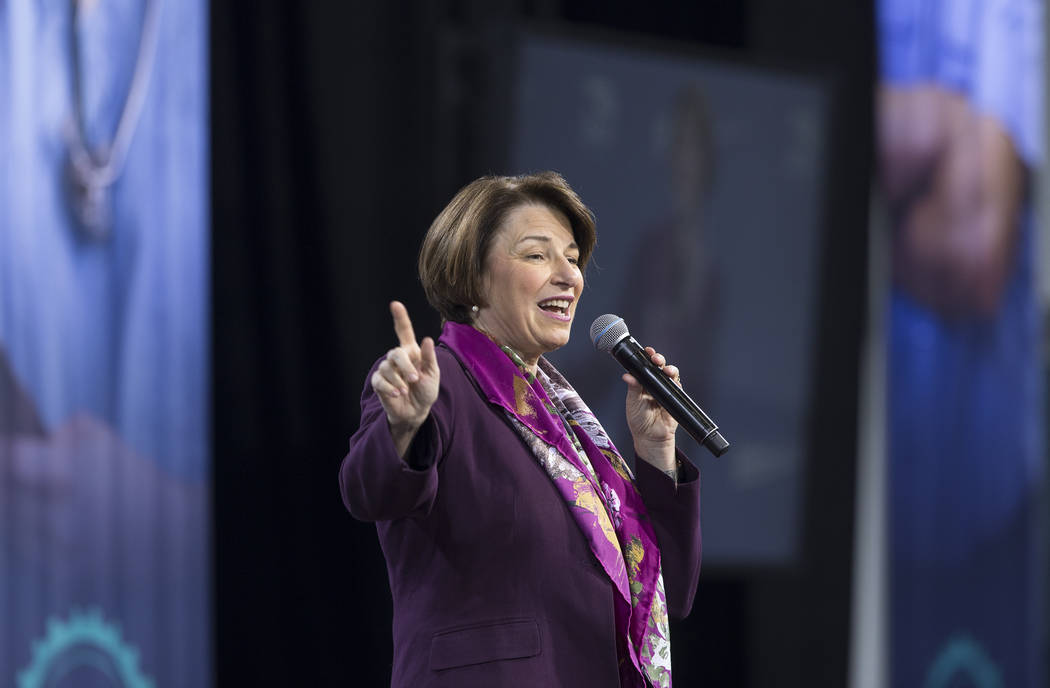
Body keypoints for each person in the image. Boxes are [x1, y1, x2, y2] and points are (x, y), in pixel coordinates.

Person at [339, 172, 702, 687]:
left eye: (573, 259)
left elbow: (668, 593)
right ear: (472, 275)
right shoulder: (438, 385)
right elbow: (371, 491)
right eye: (537, 255)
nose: (569, 276)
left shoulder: (569, 421)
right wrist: (403, 427)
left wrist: (655, 447)